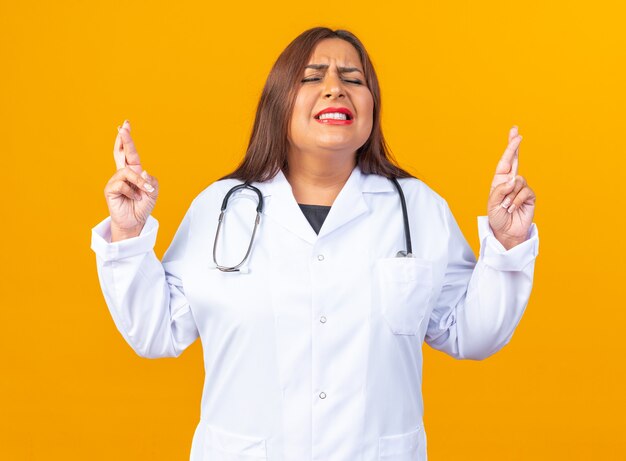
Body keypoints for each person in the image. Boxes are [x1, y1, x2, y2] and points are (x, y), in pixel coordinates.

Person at [91, 27, 538, 461]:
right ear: (278, 101)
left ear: (372, 106)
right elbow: (156, 331)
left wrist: (508, 242)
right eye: (312, 76)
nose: (335, 89)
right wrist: (128, 233)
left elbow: (473, 333)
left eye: (353, 79)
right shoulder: (220, 209)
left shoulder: (417, 209)